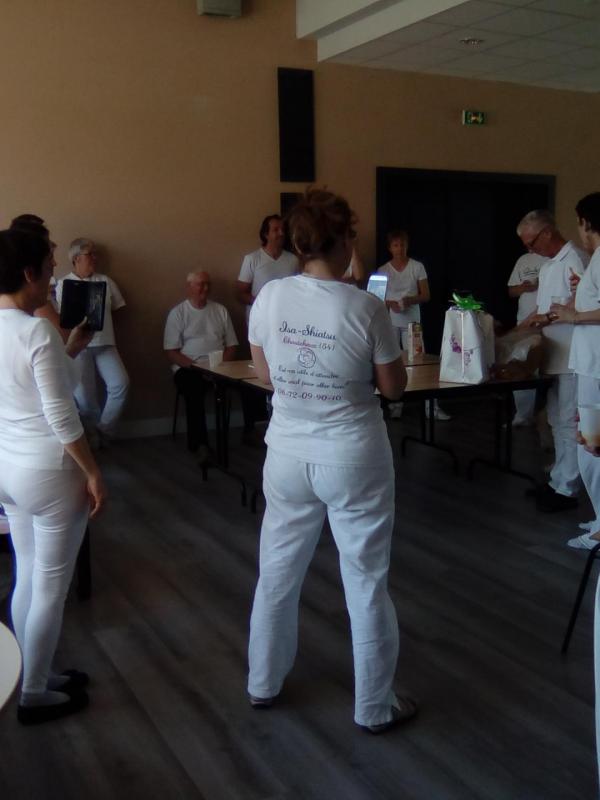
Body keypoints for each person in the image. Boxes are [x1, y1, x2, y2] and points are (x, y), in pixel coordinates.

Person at [247, 188, 417, 732]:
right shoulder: (365, 307)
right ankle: (374, 707)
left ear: (299, 243)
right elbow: (394, 389)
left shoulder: (270, 297)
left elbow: (266, 375)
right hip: (352, 456)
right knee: (364, 580)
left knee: (277, 572)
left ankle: (263, 682)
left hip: (287, 454)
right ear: (343, 240)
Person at [0, 228, 106, 724]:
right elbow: (61, 416)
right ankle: (35, 694)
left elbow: (31, 384)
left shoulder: (16, 330)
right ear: (29, 273)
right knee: (50, 587)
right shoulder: (35, 331)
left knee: (28, 574)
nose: (54, 274)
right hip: (50, 471)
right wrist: (93, 471)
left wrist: (72, 350)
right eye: (48, 265)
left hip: (11, 469)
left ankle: (31, 673)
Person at [517, 210, 587, 512]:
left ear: (547, 232)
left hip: (573, 356)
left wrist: (548, 317)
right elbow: (541, 309)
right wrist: (514, 333)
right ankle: (558, 478)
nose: (530, 249)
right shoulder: (547, 267)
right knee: (555, 418)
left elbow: (582, 303)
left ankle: (568, 489)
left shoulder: (576, 259)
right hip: (552, 355)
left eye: (531, 242)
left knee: (570, 420)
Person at [56, 238, 129, 445]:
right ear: (76, 258)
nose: (94, 258)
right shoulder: (63, 284)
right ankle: (92, 440)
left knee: (121, 383)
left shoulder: (106, 281)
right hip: (79, 346)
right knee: (85, 398)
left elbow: (119, 309)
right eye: (90, 254)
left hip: (105, 343)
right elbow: (62, 316)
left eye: (95, 254)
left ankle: (103, 430)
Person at [164, 270, 238, 463]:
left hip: (219, 368)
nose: (205, 288)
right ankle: (200, 444)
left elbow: (232, 346)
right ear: (189, 287)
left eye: (208, 284)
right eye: (200, 284)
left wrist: (220, 368)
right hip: (189, 369)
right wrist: (197, 368)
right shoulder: (178, 313)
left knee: (249, 384)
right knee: (193, 390)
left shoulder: (220, 310)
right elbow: (172, 352)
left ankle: (250, 431)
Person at [375, 229, 449, 420]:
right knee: (392, 360)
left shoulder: (417, 266)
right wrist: (390, 303)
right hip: (391, 321)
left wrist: (410, 300)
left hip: (412, 321)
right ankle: (396, 404)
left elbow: (426, 295)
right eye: (396, 245)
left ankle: (431, 407)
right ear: (390, 248)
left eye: (402, 245)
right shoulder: (383, 270)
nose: (399, 249)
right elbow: (377, 298)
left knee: (418, 361)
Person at [507, 252, 547, 426]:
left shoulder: (551, 259)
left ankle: (548, 417)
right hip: (524, 322)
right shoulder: (523, 260)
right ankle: (523, 415)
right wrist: (523, 288)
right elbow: (511, 291)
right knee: (521, 366)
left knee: (549, 369)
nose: (528, 245)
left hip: (549, 321)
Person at [236, 214, 299, 322]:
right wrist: (262, 303)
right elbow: (240, 293)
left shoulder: (293, 260)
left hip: (285, 318)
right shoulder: (252, 259)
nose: (281, 233)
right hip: (259, 319)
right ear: (266, 234)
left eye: (282, 230)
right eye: (276, 230)